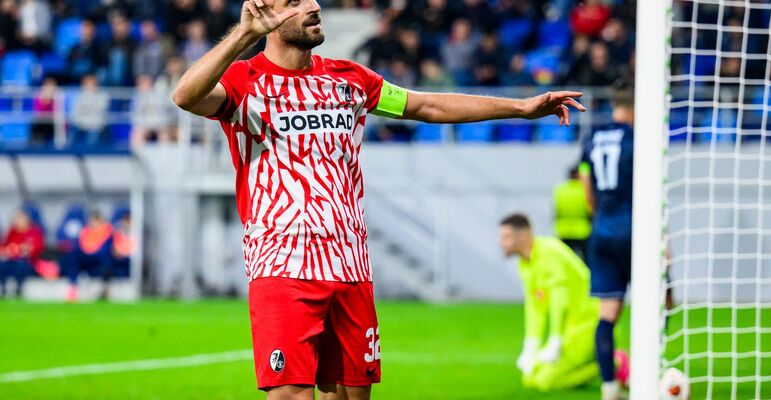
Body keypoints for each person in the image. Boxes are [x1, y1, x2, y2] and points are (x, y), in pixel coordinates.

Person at [171, 1, 584, 398]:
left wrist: (520, 107)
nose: (312, 6)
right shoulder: (244, 81)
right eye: (293, 2)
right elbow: (186, 96)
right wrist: (243, 34)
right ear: (266, 14)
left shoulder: (350, 79)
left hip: (350, 266)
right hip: (282, 266)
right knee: (290, 394)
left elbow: (427, 106)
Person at [498, 213, 598, 391]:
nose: (501, 243)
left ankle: (611, 363)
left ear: (522, 236)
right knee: (530, 377)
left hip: (586, 326)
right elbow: (535, 306)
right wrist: (531, 345)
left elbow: (560, 300)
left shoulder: (549, 252)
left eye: (506, 237)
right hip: (569, 329)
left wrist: (555, 339)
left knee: (546, 382)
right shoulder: (525, 263)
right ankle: (595, 364)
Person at [579, 84, 634, 400]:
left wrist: (601, 215)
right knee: (661, 302)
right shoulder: (635, 138)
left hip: (602, 230)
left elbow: (586, 185)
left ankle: (609, 387)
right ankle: (651, 372)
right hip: (635, 229)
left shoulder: (593, 138)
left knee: (607, 313)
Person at [0, 209, 45, 298]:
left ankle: (18, 289)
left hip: (29, 263)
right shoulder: (12, 232)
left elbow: (37, 248)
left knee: (22, 265)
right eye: (16, 219)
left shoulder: (34, 232)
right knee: (2, 264)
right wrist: (9, 250)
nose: (17, 221)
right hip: (12, 261)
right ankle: (4, 288)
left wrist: (21, 249)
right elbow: (5, 247)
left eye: (19, 218)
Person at [552, 164, 592, 261]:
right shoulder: (584, 189)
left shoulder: (560, 189)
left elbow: (556, 209)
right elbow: (590, 209)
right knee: (585, 262)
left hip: (563, 231)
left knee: (565, 261)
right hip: (582, 231)